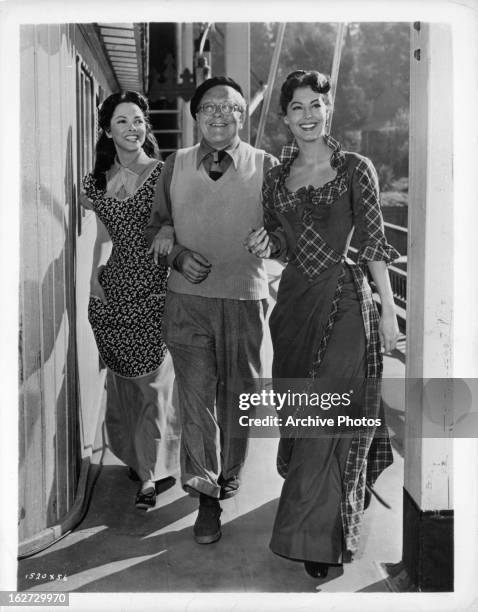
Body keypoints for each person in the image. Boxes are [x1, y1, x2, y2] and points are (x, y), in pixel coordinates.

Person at [244, 70, 400, 578]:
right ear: (285, 117)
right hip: (291, 308)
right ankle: (325, 509)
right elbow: (281, 242)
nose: (308, 115)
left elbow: (375, 243)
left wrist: (389, 314)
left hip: (345, 303)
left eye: (317, 105)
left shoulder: (356, 167)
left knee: (325, 422)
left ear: (327, 110)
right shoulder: (273, 177)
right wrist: (267, 244)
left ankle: (314, 539)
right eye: (298, 108)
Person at [145, 76, 278, 544]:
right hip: (187, 303)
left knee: (240, 397)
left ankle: (231, 470)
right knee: (197, 400)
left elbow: (286, 231)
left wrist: (273, 239)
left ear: (243, 117)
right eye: (210, 108)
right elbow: (155, 226)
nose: (221, 115)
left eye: (232, 108)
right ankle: (206, 497)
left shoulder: (268, 166)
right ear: (196, 116)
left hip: (245, 299)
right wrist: (176, 254)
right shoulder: (173, 165)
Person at [80, 91, 180, 510]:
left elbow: (182, 219)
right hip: (112, 291)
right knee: (123, 381)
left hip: (155, 289)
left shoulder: (165, 173)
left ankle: (153, 472)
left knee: (152, 383)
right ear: (107, 130)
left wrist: (169, 228)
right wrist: (90, 280)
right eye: (122, 121)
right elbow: (98, 235)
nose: (133, 128)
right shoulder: (94, 182)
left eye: (139, 120)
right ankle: (138, 460)